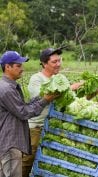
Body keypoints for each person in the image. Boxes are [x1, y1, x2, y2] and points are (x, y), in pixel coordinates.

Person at [22, 47, 82, 177]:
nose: (58, 64)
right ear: (44, 63)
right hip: (36, 127)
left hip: (54, 126)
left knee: (48, 160)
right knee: (28, 159)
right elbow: (43, 96)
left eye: (59, 61)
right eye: (54, 62)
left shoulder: (60, 78)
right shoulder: (36, 79)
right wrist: (70, 88)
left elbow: (66, 100)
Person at [0, 51, 58, 177]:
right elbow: (24, 112)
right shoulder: (6, 89)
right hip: (10, 142)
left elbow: (22, 106)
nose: (22, 69)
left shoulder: (9, 86)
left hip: (10, 141)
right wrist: (45, 100)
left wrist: (42, 96)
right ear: (7, 67)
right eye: (18, 66)